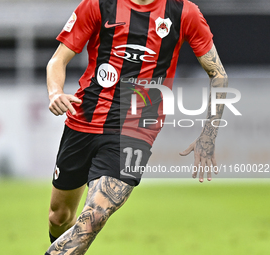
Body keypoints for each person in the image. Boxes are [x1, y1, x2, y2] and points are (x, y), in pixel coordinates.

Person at [45, 0, 228, 254]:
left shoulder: (183, 11)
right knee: (59, 217)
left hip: (137, 128)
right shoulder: (98, 5)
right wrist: (55, 92)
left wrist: (209, 133)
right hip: (84, 118)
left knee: (95, 216)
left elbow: (218, 74)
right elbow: (57, 60)